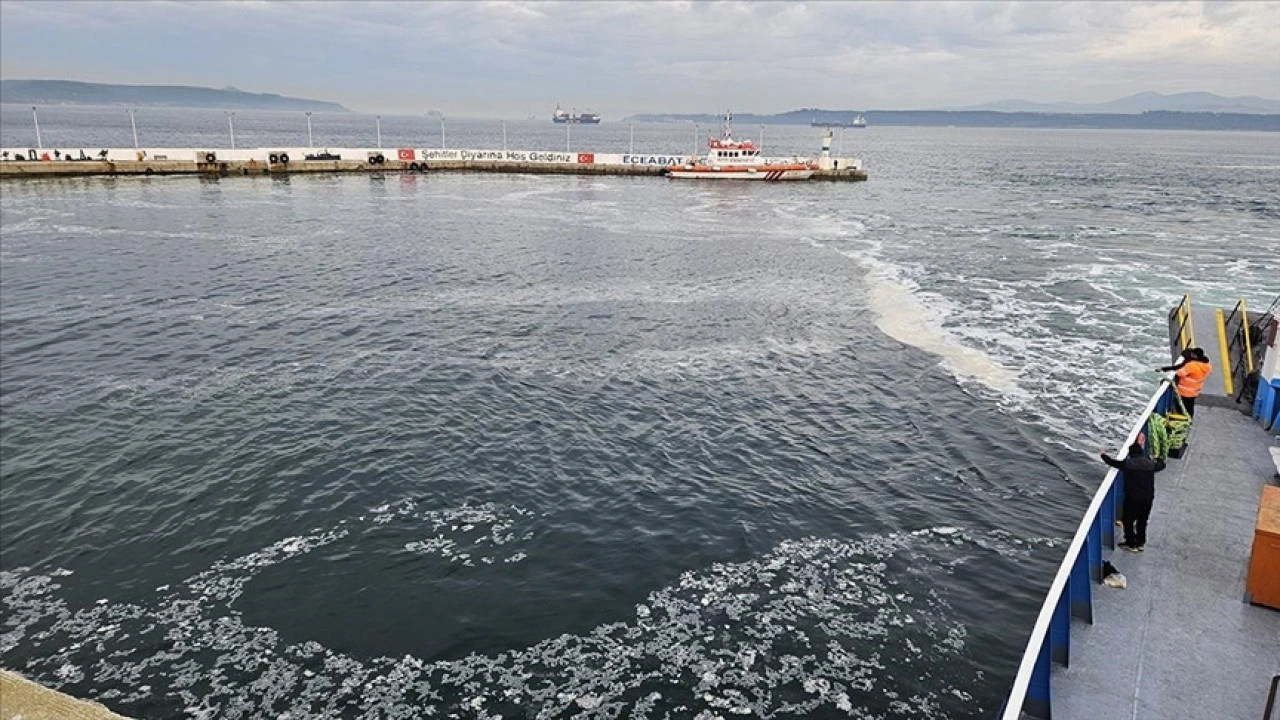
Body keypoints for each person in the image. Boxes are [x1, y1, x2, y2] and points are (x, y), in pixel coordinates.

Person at [1101, 442, 1166, 552]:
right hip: (1148, 497)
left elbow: (1112, 462)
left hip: (1133, 498)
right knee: (1142, 520)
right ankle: (1141, 542)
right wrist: (1157, 458)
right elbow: (1162, 465)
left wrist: (1103, 455)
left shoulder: (1128, 464)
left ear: (1130, 454)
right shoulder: (1150, 464)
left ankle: (1131, 544)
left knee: (1128, 520)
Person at [1156, 347, 1212, 417]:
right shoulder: (1207, 366)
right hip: (1195, 390)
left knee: (1180, 407)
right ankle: (1189, 419)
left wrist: (1164, 369)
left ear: (1195, 356)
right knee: (1190, 407)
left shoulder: (1192, 365)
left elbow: (1180, 373)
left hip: (1184, 391)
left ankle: (1181, 420)